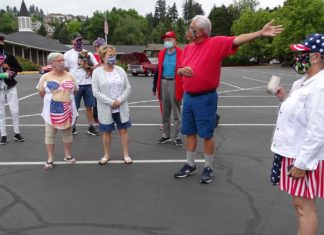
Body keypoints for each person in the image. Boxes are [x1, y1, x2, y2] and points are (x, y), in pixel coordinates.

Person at [174, 15, 283, 184]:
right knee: (189, 132)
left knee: (207, 134)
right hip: (188, 97)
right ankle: (190, 165)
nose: (189, 31)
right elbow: (179, 68)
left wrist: (260, 33)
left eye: (192, 28)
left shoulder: (215, 43)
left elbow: (237, 40)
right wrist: (181, 71)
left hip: (206, 98)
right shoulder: (188, 48)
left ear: (202, 31)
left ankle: (208, 167)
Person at [270, 33, 324, 235]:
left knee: (304, 208)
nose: (297, 58)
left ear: (316, 56)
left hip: (305, 156)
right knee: (299, 205)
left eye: (302, 54)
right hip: (294, 152)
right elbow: (299, 114)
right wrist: (284, 98)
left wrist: (302, 163)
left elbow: (319, 128)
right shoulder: (303, 82)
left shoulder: (320, 86)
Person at [36, 52, 79, 169]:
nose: (62, 62)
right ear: (52, 63)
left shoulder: (71, 76)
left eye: (63, 60)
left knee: (68, 133)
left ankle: (67, 155)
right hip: (51, 110)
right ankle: (50, 158)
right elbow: (41, 92)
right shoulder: (45, 77)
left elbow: (75, 91)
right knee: (50, 134)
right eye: (59, 60)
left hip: (68, 110)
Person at [92, 45, 132, 165]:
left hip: (121, 106)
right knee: (106, 132)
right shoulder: (96, 72)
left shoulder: (120, 70)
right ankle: (106, 155)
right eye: (110, 56)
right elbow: (96, 91)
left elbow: (128, 87)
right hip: (106, 108)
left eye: (114, 55)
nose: (113, 58)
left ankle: (126, 155)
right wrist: (111, 102)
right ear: (103, 57)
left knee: (123, 131)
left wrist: (119, 100)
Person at [64, 33, 99, 136]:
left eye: (80, 40)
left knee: (89, 107)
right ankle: (73, 126)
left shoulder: (88, 54)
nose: (79, 42)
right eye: (77, 40)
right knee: (74, 107)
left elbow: (97, 67)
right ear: (72, 41)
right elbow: (65, 71)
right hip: (75, 86)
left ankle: (91, 127)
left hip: (88, 84)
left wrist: (88, 67)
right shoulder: (67, 54)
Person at [155, 31, 183, 147]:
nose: (167, 41)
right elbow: (158, 70)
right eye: (165, 39)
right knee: (165, 110)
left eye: (169, 39)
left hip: (175, 82)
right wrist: (155, 85)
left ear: (175, 41)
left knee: (176, 111)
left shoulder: (181, 52)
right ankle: (166, 135)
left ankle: (177, 136)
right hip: (163, 81)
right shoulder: (162, 53)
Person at [0, 35, 24, 145]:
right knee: (1, 113)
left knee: (15, 111)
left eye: (1, 41)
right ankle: (3, 135)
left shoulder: (9, 56)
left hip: (10, 86)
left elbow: (19, 69)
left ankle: (16, 133)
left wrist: (8, 67)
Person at [92, 37, 106, 123]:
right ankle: (96, 119)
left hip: (105, 81)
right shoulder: (92, 56)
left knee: (105, 100)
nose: (102, 48)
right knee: (96, 102)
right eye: (101, 46)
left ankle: (106, 117)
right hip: (95, 81)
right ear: (96, 47)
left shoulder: (105, 56)